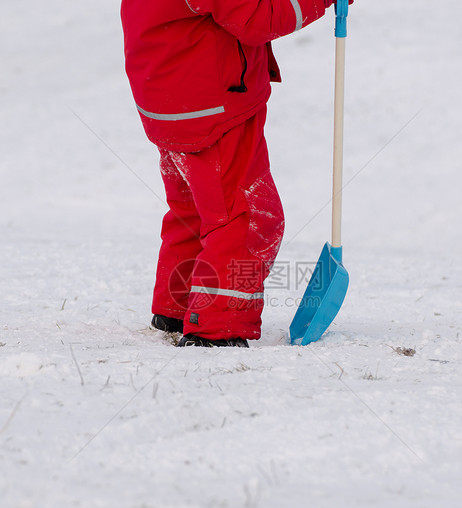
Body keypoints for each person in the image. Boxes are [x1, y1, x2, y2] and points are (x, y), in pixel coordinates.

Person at [121, 0, 341, 347]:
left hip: (169, 101)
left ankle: (177, 306)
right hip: (211, 107)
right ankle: (218, 325)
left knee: (194, 210)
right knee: (246, 217)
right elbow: (257, 17)